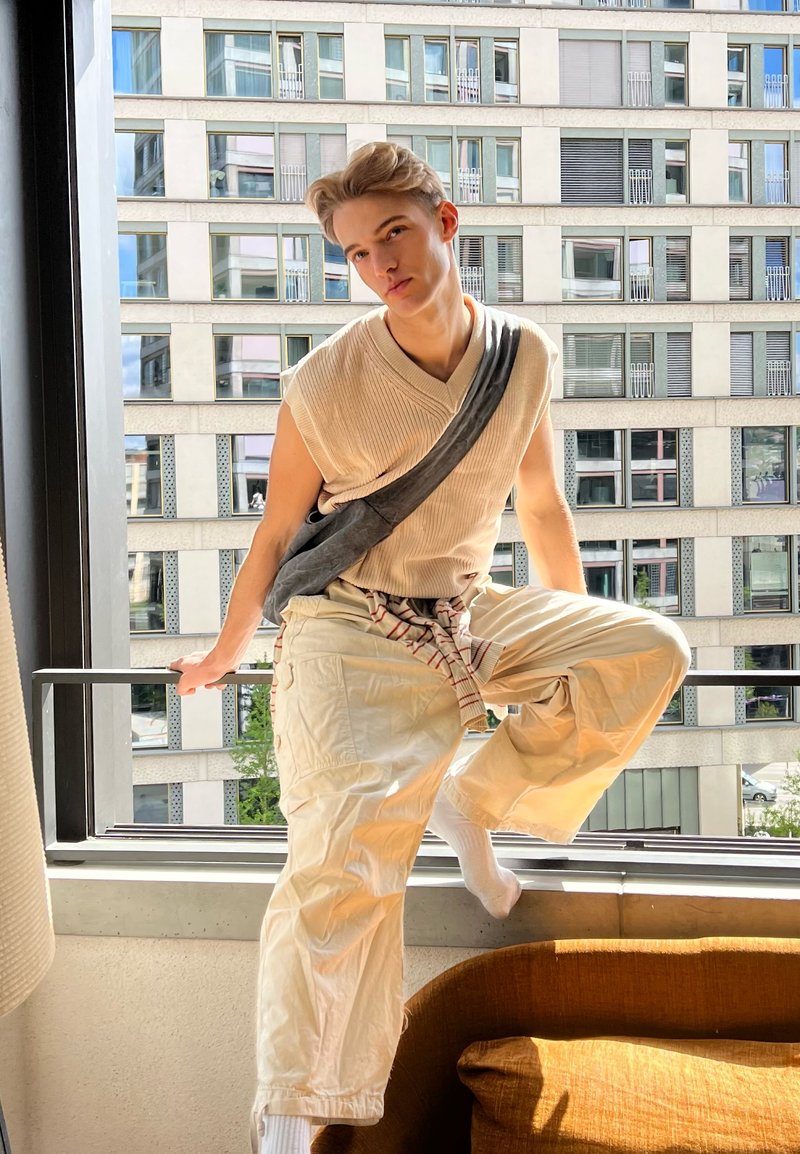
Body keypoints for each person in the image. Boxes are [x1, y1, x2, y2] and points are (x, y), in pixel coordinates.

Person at [170, 142, 690, 1154]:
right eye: (357, 254)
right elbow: (277, 534)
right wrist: (226, 648)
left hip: (461, 613)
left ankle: (474, 797)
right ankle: (290, 1112)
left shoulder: (520, 354)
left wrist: (562, 640)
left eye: (392, 235)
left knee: (643, 648)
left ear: (444, 222)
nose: (380, 265)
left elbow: (539, 502)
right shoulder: (323, 381)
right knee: (339, 876)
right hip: (347, 632)